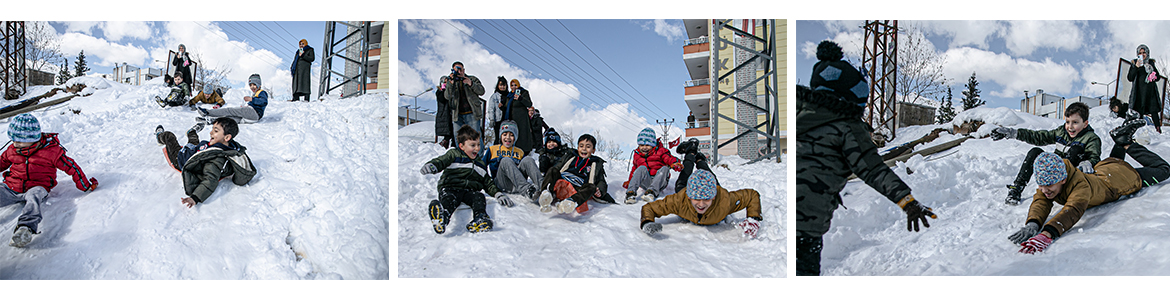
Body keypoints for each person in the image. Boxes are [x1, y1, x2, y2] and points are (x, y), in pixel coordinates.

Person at [795, 41, 938, 276]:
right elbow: (873, 170)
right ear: (850, 99)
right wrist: (907, 201)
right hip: (807, 224)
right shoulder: (847, 127)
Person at [1009, 120, 1170, 253]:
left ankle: (1127, 143)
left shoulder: (1080, 186)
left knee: (1164, 170)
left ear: (1063, 179)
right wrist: (1033, 223)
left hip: (1122, 178)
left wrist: (1047, 233)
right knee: (1114, 164)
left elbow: (1073, 209)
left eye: (1049, 185)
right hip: (1105, 169)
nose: (1044, 190)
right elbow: (1041, 201)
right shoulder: (1054, 179)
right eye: (1041, 185)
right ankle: (1121, 140)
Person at [0, 114, 97, 247]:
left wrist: (85, 185)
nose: (15, 143)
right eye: (13, 140)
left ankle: (25, 229)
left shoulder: (51, 151)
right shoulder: (13, 150)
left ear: (33, 138)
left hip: (37, 186)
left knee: (33, 200)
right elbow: (2, 163)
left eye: (19, 140)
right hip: (12, 186)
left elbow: (71, 166)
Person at [990, 102, 1102, 205]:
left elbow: (1094, 157)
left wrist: (1088, 162)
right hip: (1054, 173)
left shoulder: (1091, 138)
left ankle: (1060, 188)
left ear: (1085, 123)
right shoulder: (1061, 132)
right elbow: (1039, 137)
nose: (1070, 127)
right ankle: (1017, 188)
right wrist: (1013, 133)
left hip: (1070, 177)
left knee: (1076, 149)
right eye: (1067, 122)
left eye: (1075, 122)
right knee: (1035, 152)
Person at [420, 125, 511, 234]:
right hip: (451, 187)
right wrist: (432, 166)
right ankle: (442, 217)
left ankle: (480, 217)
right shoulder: (454, 154)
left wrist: (497, 194)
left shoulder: (480, 164)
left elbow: (487, 182)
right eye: (473, 145)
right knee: (449, 199)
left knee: (479, 197)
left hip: (469, 191)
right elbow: (442, 161)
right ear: (462, 146)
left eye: (478, 145)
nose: (477, 148)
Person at [154, 117, 256, 209]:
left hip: (182, 158)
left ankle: (159, 136)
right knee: (194, 140)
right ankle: (192, 131)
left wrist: (195, 197)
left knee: (169, 136)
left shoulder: (216, 159)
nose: (211, 133)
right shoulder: (220, 145)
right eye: (212, 129)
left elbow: (210, 180)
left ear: (227, 138)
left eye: (215, 131)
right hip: (197, 151)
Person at [639, 169, 762, 238]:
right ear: (689, 196)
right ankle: (690, 157)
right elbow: (650, 208)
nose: (701, 204)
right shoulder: (678, 201)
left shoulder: (725, 201)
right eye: (696, 199)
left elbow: (752, 195)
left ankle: (701, 161)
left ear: (713, 197)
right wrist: (647, 222)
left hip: (713, 192)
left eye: (707, 199)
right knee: (682, 180)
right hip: (685, 191)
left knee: (709, 172)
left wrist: (753, 218)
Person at [536, 133, 615, 214]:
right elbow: (557, 167)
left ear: (593, 150)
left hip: (576, 188)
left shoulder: (595, 163)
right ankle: (546, 194)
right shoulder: (570, 156)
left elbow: (601, 181)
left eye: (588, 147)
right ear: (577, 148)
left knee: (591, 187)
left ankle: (572, 201)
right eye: (581, 146)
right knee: (552, 170)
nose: (584, 149)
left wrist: (600, 190)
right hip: (561, 182)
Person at [482, 120, 541, 201]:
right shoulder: (493, 149)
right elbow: (482, 166)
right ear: (500, 136)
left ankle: (543, 188)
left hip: (518, 183)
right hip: (502, 182)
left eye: (511, 135)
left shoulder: (519, 151)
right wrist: (488, 183)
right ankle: (527, 190)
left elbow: (526, 168)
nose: (508, 138)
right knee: (506, 161)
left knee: (528, 159)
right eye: (505, 134)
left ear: (515, 137)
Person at [624, 128, 681, 204]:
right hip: (646, 181)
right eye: (641, 145)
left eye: (647, 145)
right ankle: (630, 193)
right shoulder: (637, 154)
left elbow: (669, 158)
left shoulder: (661, 151)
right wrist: (630, 181)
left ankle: (652, 192)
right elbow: (634, 169)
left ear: (653, 144)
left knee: (665, 168)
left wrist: (675, 163)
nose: (644, 147)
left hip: (659, 181)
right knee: (641, 168)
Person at [198, 74, 268, 124]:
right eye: (250, 85)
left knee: (230, 111)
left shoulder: (262, 92)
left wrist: (251, 100)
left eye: (254, 85)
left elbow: (263, 102)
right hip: (252, 118)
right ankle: (211, 120)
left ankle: (208, 112)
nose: (252, 87)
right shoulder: (255, 94)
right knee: (231, 119)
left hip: (254, 113)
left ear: (259, 85)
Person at [440, 61, 485, 135]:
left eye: (460, 69)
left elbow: (482, 91)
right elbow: (447, 96)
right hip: (457, 115)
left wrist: (471, 83)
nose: (459, 72)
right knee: (458, 137)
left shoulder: (472, 79)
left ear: (464, 70)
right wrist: (451, 84)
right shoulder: (451, 82)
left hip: (472, 113)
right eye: (457, 70)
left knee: (475, 136)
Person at [1128, 44, 1162, 133]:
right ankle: (1139, 131)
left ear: (1147, 53)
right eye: (1140, 53)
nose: (1142, 54)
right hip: (1139, 92)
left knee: (1154, 110)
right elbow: (1130, 78)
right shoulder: (1134, 63)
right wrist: (1136, 67)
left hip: (1151, 93)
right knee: (1139, 111)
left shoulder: (1150, 63)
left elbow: (1157, 77)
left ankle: (1158, 129)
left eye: (1144, 52)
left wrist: (1152, 73)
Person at [502, 79, 534, 152]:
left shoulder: (524, 92)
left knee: (522, 134)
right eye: (512, 85)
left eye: (515, 85)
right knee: (513, 134)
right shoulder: (509, 95)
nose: (514, 87)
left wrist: (520, 98)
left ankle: (524, 150)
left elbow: (529, 104)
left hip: (521, 117)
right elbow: (507, 107)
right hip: (511, 118)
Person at [486, 76, 508, 146]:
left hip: (507, 119)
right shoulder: (494, 96)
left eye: (504, 85)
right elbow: (491, 109)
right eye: (501, 85)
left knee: (506, 137)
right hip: (498, 120)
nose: (502, 87)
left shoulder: (508, 95)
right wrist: (492, 119)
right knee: (498, 137)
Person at [434, 83, 454, 148]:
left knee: (453, 132)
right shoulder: (439, 92)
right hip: (444, 115)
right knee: (449, 132)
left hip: (450, 114)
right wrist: (443, 89)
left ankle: (450, 145)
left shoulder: (450, 90)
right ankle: (445, 143)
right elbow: (442, 99)